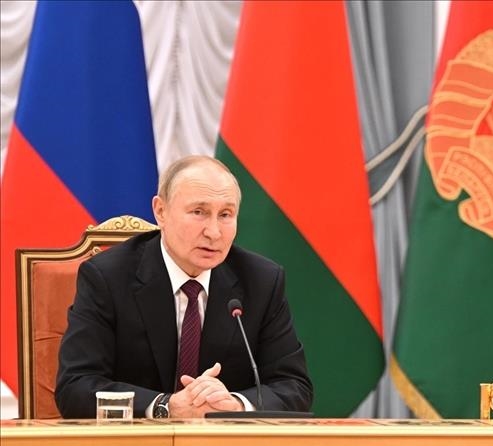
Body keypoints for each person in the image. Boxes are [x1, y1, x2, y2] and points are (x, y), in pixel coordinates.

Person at [56, 155, 313, 418]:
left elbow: (294, 386)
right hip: (136, 441)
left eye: (225, 215)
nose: (213, 232)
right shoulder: (108, 277)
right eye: (199, 212)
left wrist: (235, 405)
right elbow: (76, 386)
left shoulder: (261, 281)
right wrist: (166, 406)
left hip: (225, 443)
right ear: (161, 212)